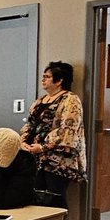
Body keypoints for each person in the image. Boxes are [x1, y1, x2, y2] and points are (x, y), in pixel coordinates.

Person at [21, 61, 87, 207]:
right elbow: (30, 123)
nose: (43, 79)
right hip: (35, 157)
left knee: (54, 198)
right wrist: (24, 140)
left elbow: (68, 129)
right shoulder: (40, 100)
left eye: (47, 77)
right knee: (36, 197)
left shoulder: (70, 99)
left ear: (59, 81)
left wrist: (43, 146)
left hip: (57, 159)